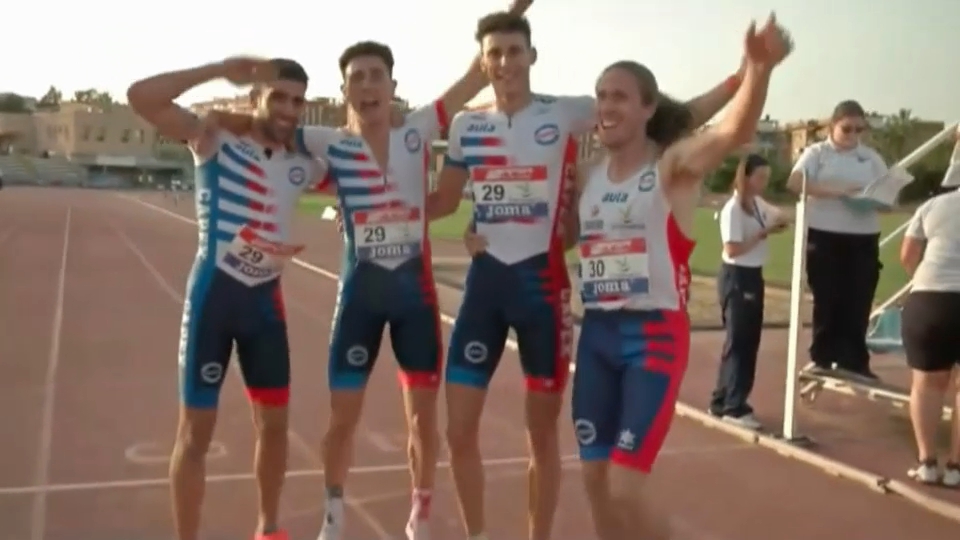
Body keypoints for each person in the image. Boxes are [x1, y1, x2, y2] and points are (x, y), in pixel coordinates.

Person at [429, 9, 763, 540]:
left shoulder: (583, 121)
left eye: (515, 51)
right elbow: (470, 201)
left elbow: (687, 116)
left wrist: (747, 73)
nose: (506, 62)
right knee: (500, 444)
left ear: (531, 57)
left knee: (581, 462)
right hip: (538, 308)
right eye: (495, 53)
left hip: (577, 305)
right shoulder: (487, 134)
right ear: (483, 61)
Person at [213, 5, 532, 539]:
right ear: (345, 94)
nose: (367, 85)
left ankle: (421, 513)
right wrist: (231, 115)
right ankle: (334, 515)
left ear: (392, 86)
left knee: (422, 420)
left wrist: (514, 11)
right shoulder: (326, 143)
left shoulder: (420, 130)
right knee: (342, 419)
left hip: (416, 300)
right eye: (356, 78)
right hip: (360, 297)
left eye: (376, 76)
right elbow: (264, 126)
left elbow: (477, 71)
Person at [562, 17, 791, 540]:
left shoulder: (673, 166)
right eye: (601, 95)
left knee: (624, 486)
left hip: (653, 338)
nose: (606, 105)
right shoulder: (589, 172)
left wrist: (756, 71)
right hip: (596, 333)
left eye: (620, 95)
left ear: (647, 107)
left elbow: (734, 132)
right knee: (595, 481)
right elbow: (567, 238)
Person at [127, 57, 327, 540]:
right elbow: (141, 97)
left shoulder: (302, 162)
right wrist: (219, 69)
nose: (288, 108)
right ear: (255, 97)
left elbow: (361, 168)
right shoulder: (213, 138)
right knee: (195, 435)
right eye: (278, 96)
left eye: (297, 101)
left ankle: (268, 528)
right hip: (213, 302)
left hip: (265, 308)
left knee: (276, 426)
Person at [787, 100, 888, 382]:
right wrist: (838, 191)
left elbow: (889, 193)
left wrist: (876, 198)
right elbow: (795, 183)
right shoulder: (816, 153)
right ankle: (823, 355)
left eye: (859, 129)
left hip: (864, 235)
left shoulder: (871, 158)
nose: (853, 135)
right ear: (833, 126)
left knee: (859, 298)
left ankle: (854, 360)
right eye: (847, 129)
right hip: (826, 234)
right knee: (827, 296)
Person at [708, 153, 789, 430]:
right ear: (746, 177)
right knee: (741, 342)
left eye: (767, 178)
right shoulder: (734, 208)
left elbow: (778, 214)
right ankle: (735, 405)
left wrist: (778, 222)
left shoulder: (755, 203)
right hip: (738, 276)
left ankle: (722, 400)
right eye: (760, 177)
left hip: (753, 274)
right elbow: (732, 249)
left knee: (743, 340)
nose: (764, 183)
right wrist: (762, 233)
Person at [900, 188, 960, 487]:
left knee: (926, 385)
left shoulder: (933, 204)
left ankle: (927, 462)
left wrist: (921, 282)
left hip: (930, 298)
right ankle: (956, 467)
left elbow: (907, 255)